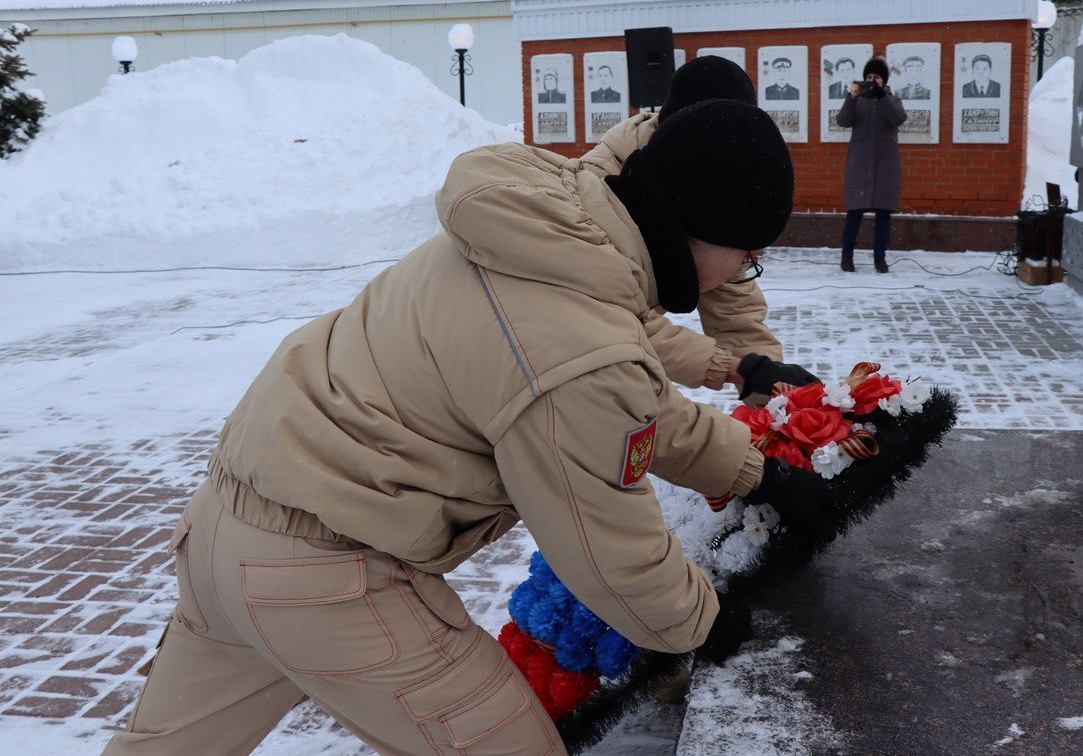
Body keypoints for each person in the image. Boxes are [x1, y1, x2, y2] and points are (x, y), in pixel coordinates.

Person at [103, 99, 840, 756]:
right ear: (695, 230)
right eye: (747, 255)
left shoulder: (549, 222)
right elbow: (609, 552)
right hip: (328, 575)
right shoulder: (582, 332)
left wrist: (754, 469)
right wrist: (707, 622)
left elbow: (623, 405)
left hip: (226, 528)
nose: (745, 271)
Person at [580, 54, 809, 399]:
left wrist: (773, 400)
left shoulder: (714, 195)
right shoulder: (601, 190)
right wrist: (728, 369)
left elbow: (736, 313)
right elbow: (609, 322)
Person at [836, 56, 907, 274]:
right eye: (869, 76)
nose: (872, 79)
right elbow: (843, 120)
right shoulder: (858, 101)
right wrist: (852, 97)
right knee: (854, 214)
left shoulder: (892, 100)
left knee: (883, 215)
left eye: (876, 77)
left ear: (884, 81)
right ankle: (847, 257)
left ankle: (880, 258)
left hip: (885, 168)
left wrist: (882, 96)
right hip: (859, 166)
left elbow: (898, 118)